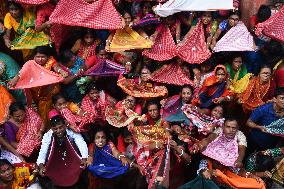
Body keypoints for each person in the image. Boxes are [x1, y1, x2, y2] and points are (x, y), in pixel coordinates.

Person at [192, 117, 266, 189]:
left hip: (230, 170)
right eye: (228, 127)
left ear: (237, 128)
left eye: (234, 128)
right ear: (223, 126)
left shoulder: (240, 135)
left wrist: (250, 175)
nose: (231, 130)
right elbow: (209, 139)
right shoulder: (206, 161)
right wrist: (201, 144)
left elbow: (242, 150)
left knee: (258, 184)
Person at [8, 46, 66, 126]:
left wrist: (61, 71)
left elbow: (56, 67)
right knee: (39, 108)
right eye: (37, 57)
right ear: (34, 57)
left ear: (48, 57)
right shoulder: (30, 63)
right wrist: (15, 79)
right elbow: (22, 72)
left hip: (49, 91)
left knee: (49, 110)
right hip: (35, 91)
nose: (40, 59)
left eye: (43, 57)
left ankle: (51, 127)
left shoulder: (50, 61)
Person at [37, 115, 88, 188]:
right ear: (52, 129)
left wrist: (84, 158)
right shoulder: (47, 135)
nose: (58, 131)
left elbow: (81, 143)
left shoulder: (72, 131)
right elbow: (43, 151)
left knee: (83, 171)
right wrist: (41, 166)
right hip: (56, 162)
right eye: (55, 129)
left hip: (71, 160)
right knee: (43, 175)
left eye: (60, 127)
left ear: (65, 126)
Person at [246, 87, 284, 152]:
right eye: (282, 98)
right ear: (274, 99)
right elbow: (248, 122)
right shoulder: (263, 109)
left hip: (271, 145)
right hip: (255, 140)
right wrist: (259, 127)